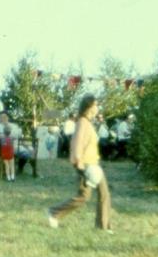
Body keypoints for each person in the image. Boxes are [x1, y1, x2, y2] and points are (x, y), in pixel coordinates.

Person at [47, 94, 112, 232]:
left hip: (94, 164)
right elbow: (76, 142)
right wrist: (79, 162)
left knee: (104, 194)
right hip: (86, 165)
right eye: (95, 105)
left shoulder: (88, 122)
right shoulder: (82, 122)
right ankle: (54, 212)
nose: (97, 108)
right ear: (89, 107)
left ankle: (103, 227)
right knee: (83, 197)